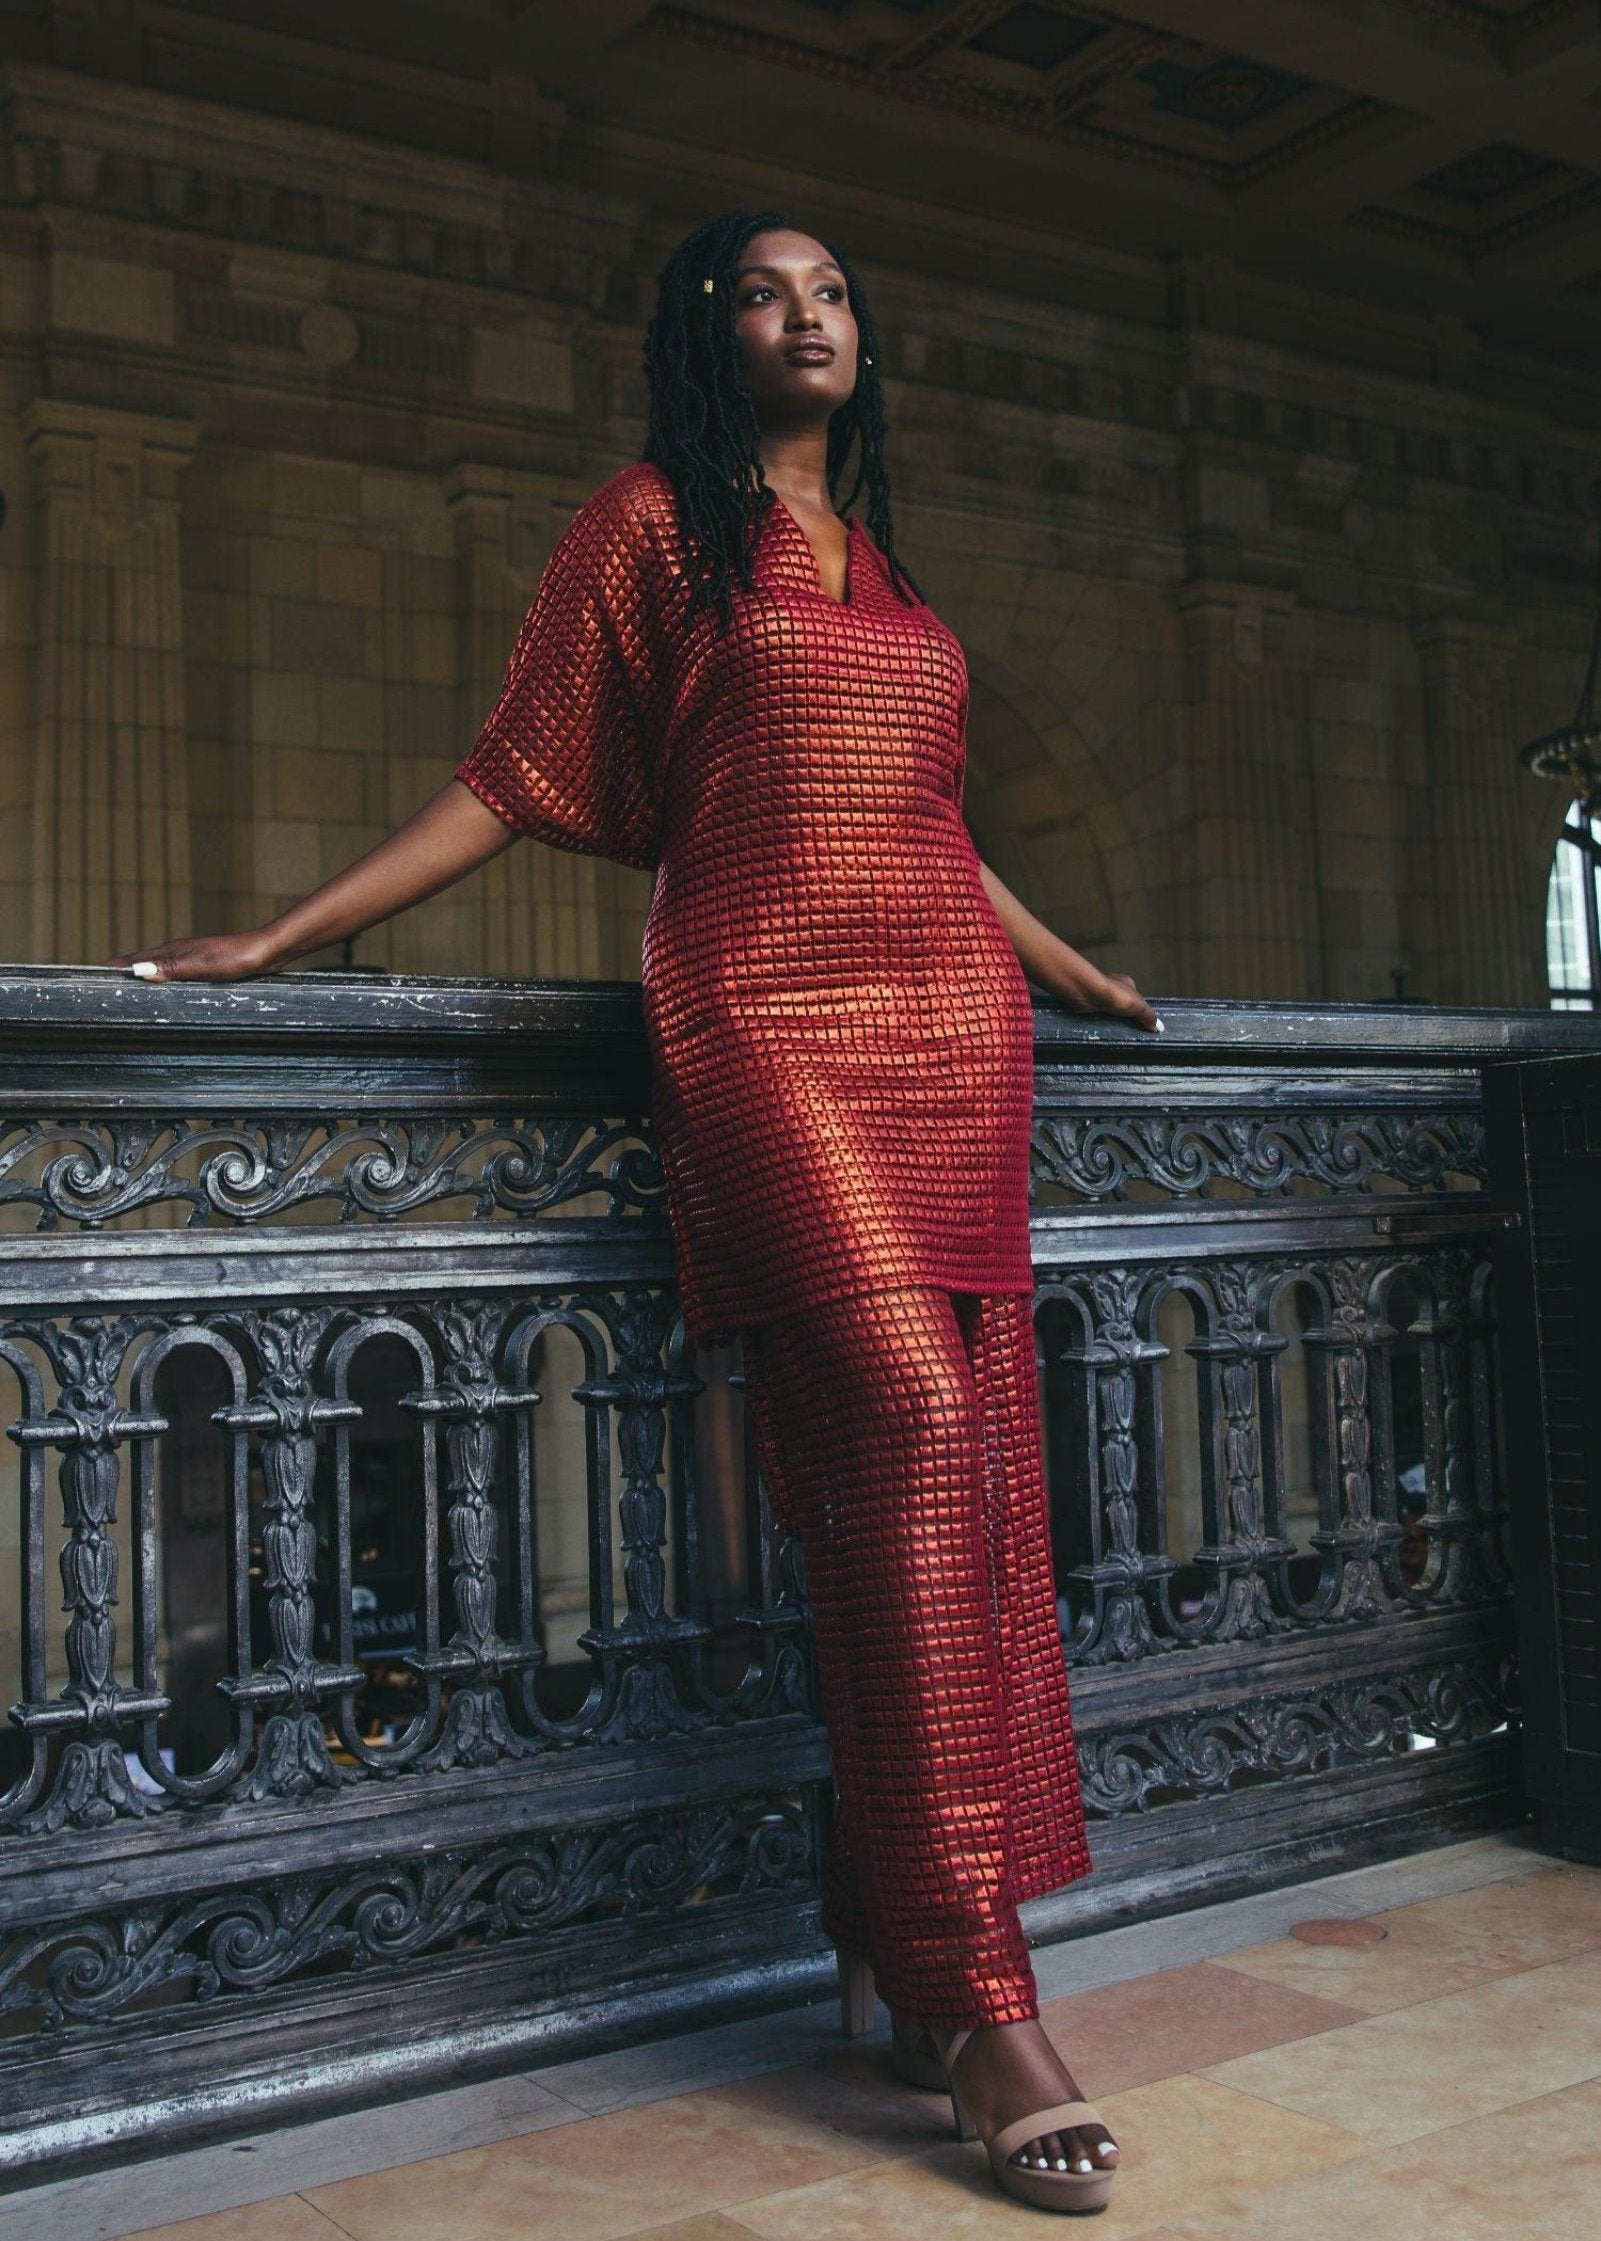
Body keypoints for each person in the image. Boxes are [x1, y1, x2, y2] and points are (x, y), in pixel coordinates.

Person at [113, 208, 1161, 2216]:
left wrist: (1069, 970)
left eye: (838, 290)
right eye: (768, 294)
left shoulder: (888, 562)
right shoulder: (645, 531)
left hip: (951, 1018)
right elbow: (510, 774)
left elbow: (933, 811)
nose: (811, 318)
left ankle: (886, 1896)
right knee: (913, 1424)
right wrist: (288, 930)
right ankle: (977, 1991)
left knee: (948, 1460)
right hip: (762, 1003)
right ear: (708, 334)